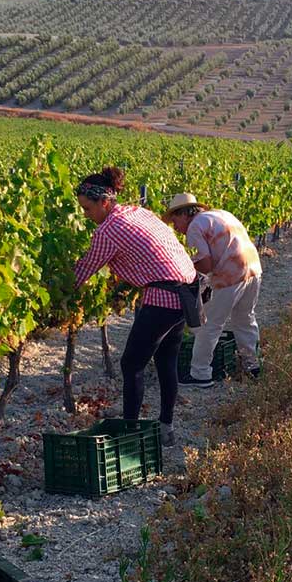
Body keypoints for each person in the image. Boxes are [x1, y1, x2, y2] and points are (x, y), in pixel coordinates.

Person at [73, 166, 197, 447]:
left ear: (105, 202)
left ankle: (130, 434)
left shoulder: (108, 230)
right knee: (166, 360)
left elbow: (82, 272)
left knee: (131, 364)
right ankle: (166, 428)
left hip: (163, 296)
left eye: (88, 209)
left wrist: (50, 295)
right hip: (186, 290)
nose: (86, 215)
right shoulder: (136, 212)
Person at [164, 193, 262, 388]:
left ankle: (200, 374)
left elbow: (206, 264)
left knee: (209, 325)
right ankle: (252, 366)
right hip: (253, 270)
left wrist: (184, 268)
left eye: (174, 221)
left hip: (230, 276)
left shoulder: (194, 227)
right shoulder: (221, 214)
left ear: (183, 214)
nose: (175, 228)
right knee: (245, 319)